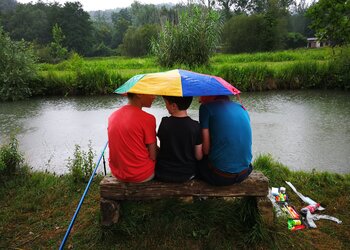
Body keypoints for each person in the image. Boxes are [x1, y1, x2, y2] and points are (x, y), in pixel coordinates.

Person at [198, 95, 253, 186]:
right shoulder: (242, 108)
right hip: (244, 172)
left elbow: (206, 150)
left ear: (210, 95)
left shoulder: (206, 108)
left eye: (201, 97)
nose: (200, 101)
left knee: (197, 160)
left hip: (221, 176)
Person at [107, 93, 157, 183]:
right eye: (151, 93)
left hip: (117, 174)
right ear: (139, 94)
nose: (154, 97)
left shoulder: (113, 116)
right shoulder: (148, 118)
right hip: (142, 175)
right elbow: (153, 156)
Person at [155, 96, 203, 182]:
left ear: (174, 106)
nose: (165, 106)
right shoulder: (196, 126)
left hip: (163, 172)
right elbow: (198, 156)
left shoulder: (164, 123)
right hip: (187, 174)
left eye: (166, 103)